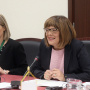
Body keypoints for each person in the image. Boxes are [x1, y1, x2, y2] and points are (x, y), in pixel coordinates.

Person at [31, 15, 90, 82]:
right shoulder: (44, 44)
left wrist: (65, 77)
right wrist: (43, 74)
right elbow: (33, 69)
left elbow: (88, 74)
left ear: (64, 32)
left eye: (54, 30)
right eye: (47, 30)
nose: (49, 34)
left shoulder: (77, 46)